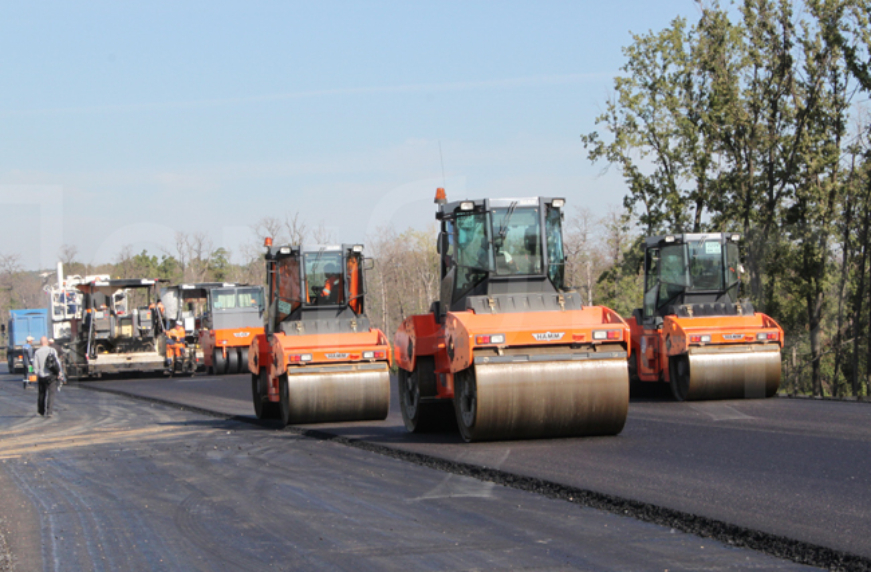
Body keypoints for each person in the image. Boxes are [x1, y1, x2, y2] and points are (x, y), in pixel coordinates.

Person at [33, 336, 64, 418]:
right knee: (51, 393)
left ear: (40, 343)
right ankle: (49, 412)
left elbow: (35, 365)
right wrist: (59, 373)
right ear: (47, 342)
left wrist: (37, 373)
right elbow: (57, 362)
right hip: (51, 375)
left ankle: (41, 411)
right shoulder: (52, 350)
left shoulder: (37, 352)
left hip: (42, 376)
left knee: (41, 393)